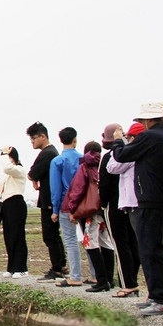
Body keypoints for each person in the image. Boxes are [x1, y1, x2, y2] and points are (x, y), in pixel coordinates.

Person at [112, 102, 163, 315]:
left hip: (150, 199)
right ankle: (159, 296)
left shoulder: (150, 136)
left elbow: (121, 156)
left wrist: (118, 141)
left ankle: (161, 298)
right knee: (161, 249)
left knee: (149, 249)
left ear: (147, 120)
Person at [63, 141, 114, 293]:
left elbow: (77, 190)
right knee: (106, 243)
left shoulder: (85, 166)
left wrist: (72, 209)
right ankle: (110, 279)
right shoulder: (106, 162)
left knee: (90, 244)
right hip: (104, 210)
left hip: (91, 212)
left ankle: (101, 280)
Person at [102, 123, 142, 298]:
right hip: (132, 205)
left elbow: (104, 183)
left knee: (120, 245)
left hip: (115, 205)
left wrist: (103, 204)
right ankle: (132, 280)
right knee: (134, 243)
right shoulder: (136, 153)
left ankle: (128, 283)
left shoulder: (112, 156)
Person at [26, 122, 67, 282]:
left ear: (43, 136)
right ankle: (61, 265)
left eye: (34, 138)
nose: (32, 142)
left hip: (50, 199)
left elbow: (32, 173)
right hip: (49, 197)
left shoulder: (48, 153)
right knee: (53, 235)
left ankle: (57, 268)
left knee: (50, 235)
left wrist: (34, 178)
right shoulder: (50, 152)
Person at [50, 127, 85, 288]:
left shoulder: (57, 161)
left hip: (66, 204)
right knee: (89, 240)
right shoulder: (83, 159)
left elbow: (56, 189)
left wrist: (55, 210)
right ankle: (95, 275)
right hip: (83, 205)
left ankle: (76, 276)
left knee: (70, 240)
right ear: (75, 139)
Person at [0, 147, 28, 278]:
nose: (7, 160)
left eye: (9, 157)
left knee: (17, 236)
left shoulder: (19, 170)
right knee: (9, 236)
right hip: (6, 203)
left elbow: (7, 168)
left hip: (16, 203)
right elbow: (2, 191)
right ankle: (11, 267)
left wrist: (4, 154)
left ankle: (21, 268)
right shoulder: (8, 174)